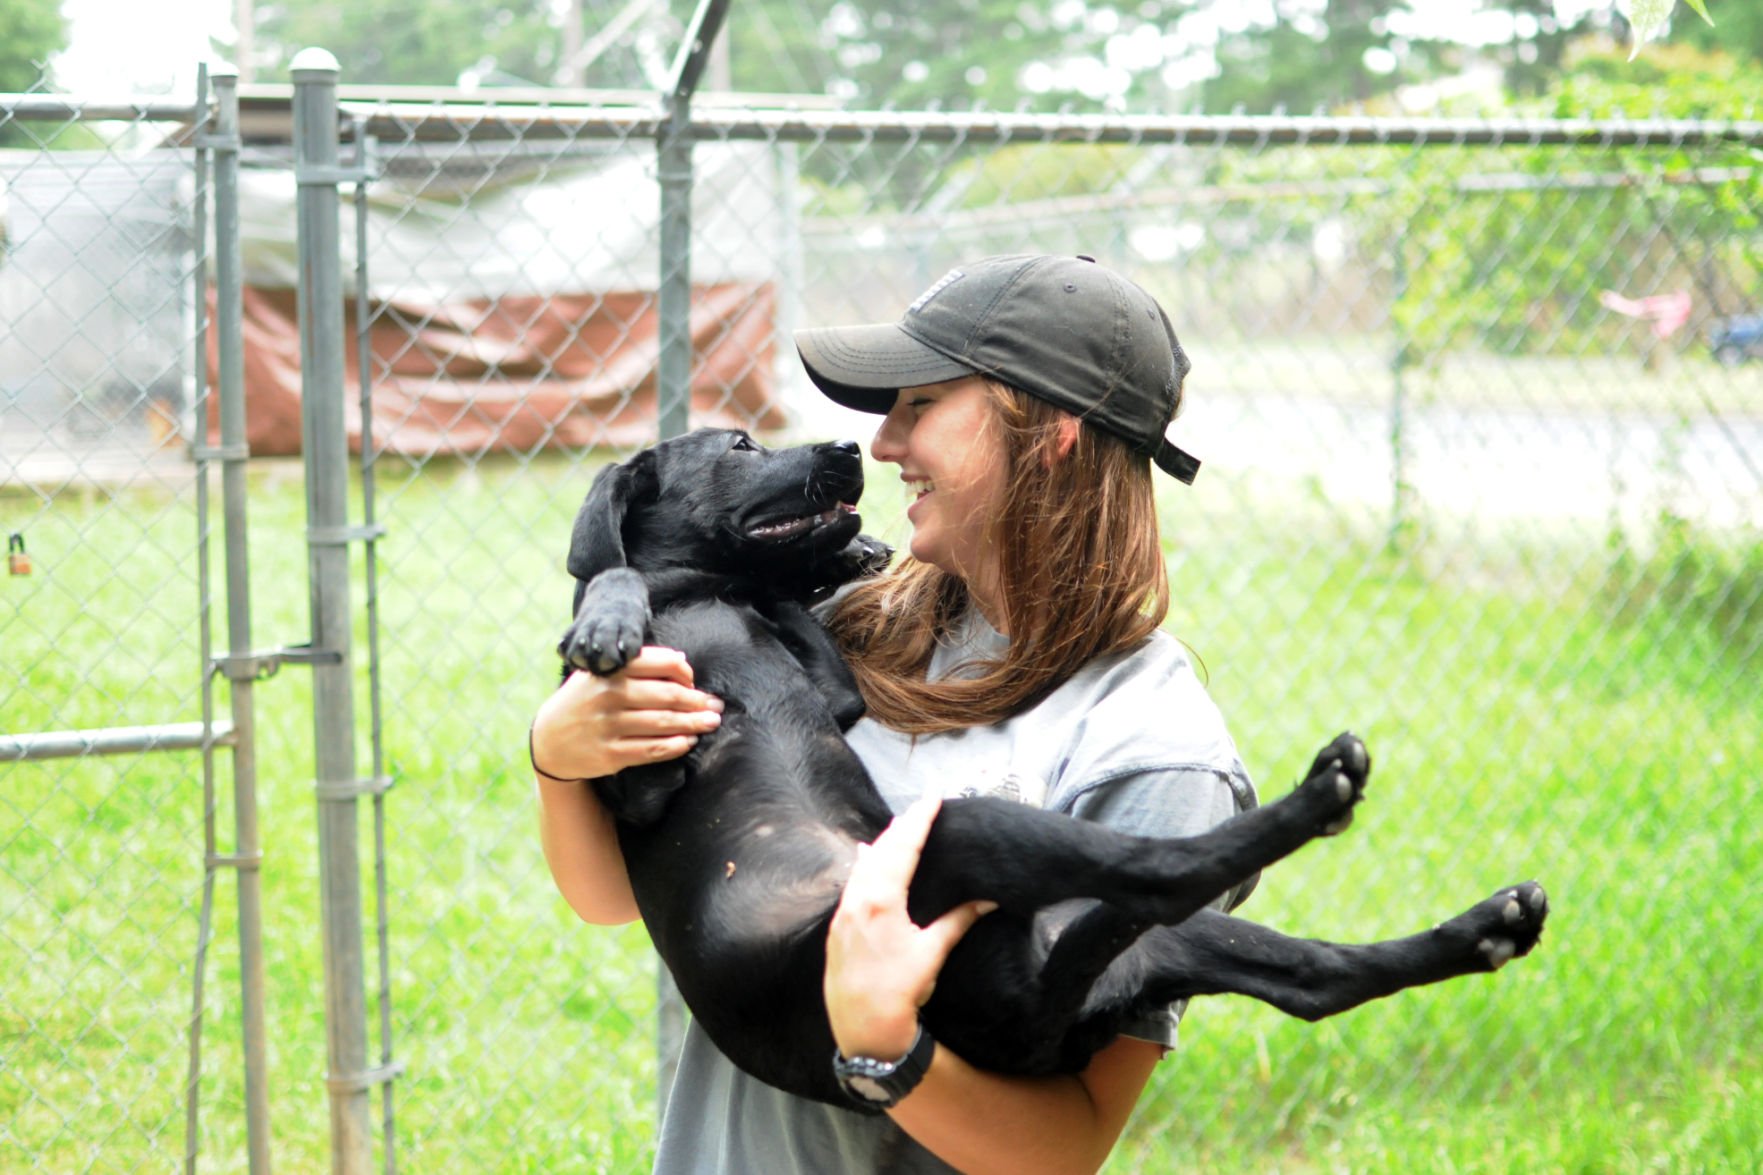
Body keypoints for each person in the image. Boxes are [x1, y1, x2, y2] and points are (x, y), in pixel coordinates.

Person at [531, 253, 1258, 1173]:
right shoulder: (834, 623)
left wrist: (887, 1051)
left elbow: (1063, 1145)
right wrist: (560, 763)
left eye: (921, 405)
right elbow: (605, 898)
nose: (880, 445)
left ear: (1050, 433)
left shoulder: (1147, 754)